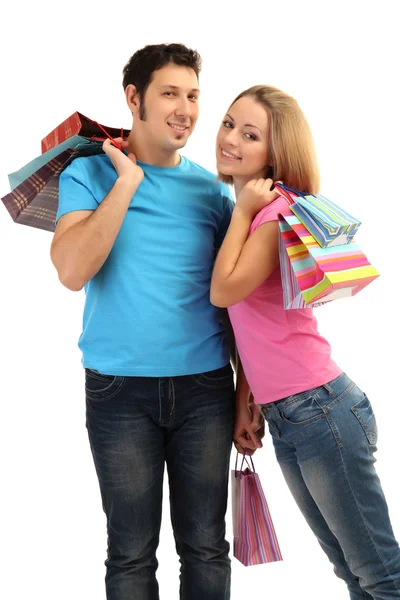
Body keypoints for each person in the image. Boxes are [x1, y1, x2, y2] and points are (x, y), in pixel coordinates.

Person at [50, 43, 236, 600]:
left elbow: (234, 304)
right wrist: (126, 183)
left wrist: (247, 393)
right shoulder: (87, 174)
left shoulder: (211, 191)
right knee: (130, 554)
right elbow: (71, 270)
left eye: (194, 95)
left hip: (206, 388)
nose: (185, 109)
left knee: (205, 546)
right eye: (170, 93)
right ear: (135, 98)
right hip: (118, 390)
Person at [210, 84, 400, 599]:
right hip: (291, 412)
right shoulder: (255, 215)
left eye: (250, 134)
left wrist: (244, 212)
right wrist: (246, 399)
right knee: (354, 573)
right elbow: (252, 323)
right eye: (229, 124)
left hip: (320, 410)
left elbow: (223, 291)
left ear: (276, 153)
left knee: (381, 575)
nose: (230, 139)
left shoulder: (270, 217)